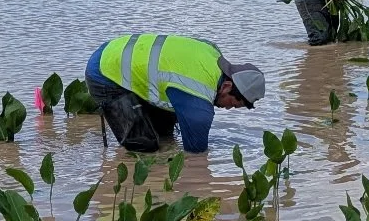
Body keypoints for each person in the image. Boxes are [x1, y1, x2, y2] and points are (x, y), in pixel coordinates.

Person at [84, 32, 265, 153]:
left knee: (166, 134)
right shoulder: (199, 107)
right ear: (226, 86)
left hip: (117, 47)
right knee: (144, 146)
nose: (229, 109)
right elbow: (196, 157)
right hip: (104, 72)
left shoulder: (212, 51)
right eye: (233, 104)